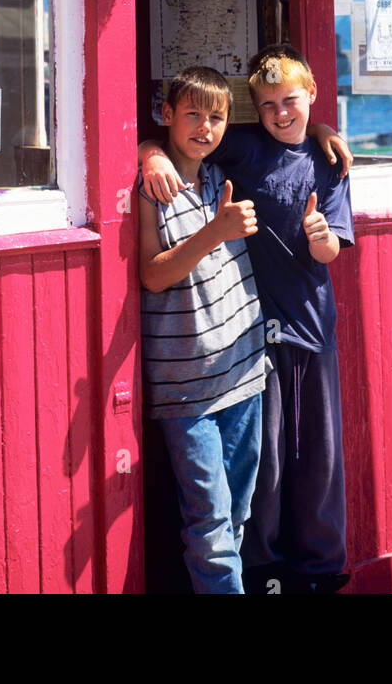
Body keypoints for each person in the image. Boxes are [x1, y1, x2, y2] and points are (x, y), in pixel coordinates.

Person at [140, 44, 353, 594]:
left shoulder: (329, 163)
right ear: (253, 111)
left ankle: (320, 571)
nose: (281, 114)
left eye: (291, 102)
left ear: (311, 96)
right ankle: (264, 571)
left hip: (306, 333)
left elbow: (333, 250)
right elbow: (182, 137)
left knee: (319, 460)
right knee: (266, 474)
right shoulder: (241, 149)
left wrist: (323, 236)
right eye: (267, 105)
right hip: (251, 344)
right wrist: (150, 154)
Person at [138, 66, 268, 594]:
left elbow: (287, 134)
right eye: (192, 114)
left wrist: (325, 132)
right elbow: (152, 275)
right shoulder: (151, 187)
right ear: (166, 115)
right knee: (210, 525)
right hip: (186, 383)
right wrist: (216, 230)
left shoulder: (220, 171)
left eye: (216, 117)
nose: (205, 127)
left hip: (244, 368)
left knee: (236, 514)